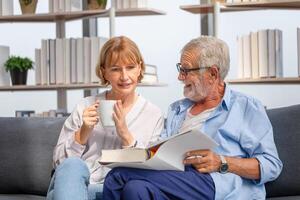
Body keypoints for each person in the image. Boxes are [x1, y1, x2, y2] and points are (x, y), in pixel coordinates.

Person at [102, 36, 283, 200]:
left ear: (213, 74)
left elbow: (272, 165)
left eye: (186, 70)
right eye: (180, 69)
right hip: (176, 181)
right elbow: (157, 152)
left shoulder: (245, 107)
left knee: (118, 176)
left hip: (216, 185)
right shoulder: (177, 109)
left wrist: (222, 162)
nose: (180, 77)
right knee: (135, 189)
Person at [46, 36, 164, 200]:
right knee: (72, 166)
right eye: (115, 69)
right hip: (74, 186)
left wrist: (125, 134)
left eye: (130, 67)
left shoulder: (153, 114)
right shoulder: (85, 106)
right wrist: (82, 134)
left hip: (116, 191)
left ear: (139, 69)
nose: (124, 76)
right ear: (104, 72)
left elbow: (149, 172)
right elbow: (60, 165)